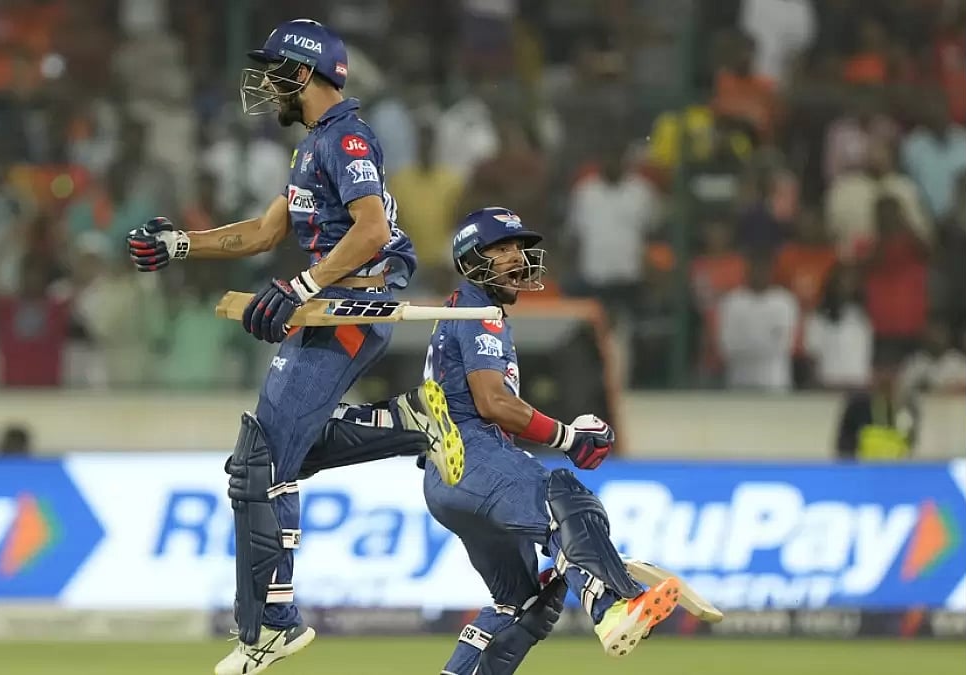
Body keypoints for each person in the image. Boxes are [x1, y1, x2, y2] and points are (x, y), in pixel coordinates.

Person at [125, 19, 461, 675]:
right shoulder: (315, 146)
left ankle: (270, 626)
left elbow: (369, 232)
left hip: (349, 307)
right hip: (331, 305)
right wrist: (182, 245)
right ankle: (414, 420)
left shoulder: (348, 138)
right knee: (278, 457)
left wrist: (303, 283)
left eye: (277, 70)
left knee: (260, 465)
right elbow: (262, 230)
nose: (267, 83)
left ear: (306, 73)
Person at [335, 208, 683, 673]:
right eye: (503, 249)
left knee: (522, 602)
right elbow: (493, 403)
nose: (518, 258)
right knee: (566, 497)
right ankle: (613, 604)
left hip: (448, 474)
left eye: (520, 248)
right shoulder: (481, 311)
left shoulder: (467, 308)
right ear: (475, 258)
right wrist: (570, 438)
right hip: (471, 455)